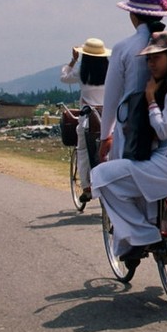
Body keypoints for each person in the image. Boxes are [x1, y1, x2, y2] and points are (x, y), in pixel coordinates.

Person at [91, 31, 167, 264]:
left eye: (157, 58)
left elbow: (164, 130)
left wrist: (150, 98)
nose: (150, 63)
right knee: (125, 178)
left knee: (100, 176)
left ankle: (142, 235)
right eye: (148, 59)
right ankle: (151, 228)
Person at [99, 0, 167, 163]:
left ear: (133, 15)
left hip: (131, 126)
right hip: (164, 124)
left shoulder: (123, 48)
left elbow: (111, 97)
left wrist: (104, 136)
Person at [60, 37, 111, 206]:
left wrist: (73, 60)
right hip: (108, 118)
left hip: (88, 118)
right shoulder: (111, 71)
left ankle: (87, 187)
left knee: (82, 151)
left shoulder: (82, 72)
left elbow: (64, 77)